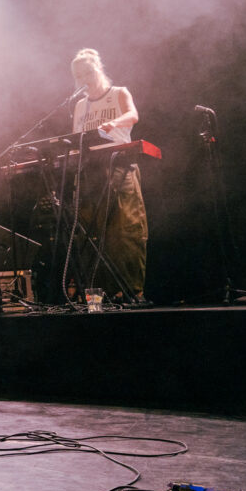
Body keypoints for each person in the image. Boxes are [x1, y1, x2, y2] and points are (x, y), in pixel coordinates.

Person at [70, 48, 149, 304]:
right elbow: (77, 138)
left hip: (119, 164)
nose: (84, 77)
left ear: (97, 69)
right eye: (79, 74)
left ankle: (132, 291)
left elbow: (133, 115)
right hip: (91, 170)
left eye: (87, 72)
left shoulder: (118, 92)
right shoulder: (80, 105)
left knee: (125, 228)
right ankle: (99, 295)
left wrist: (114, 124)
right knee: (92, 232)